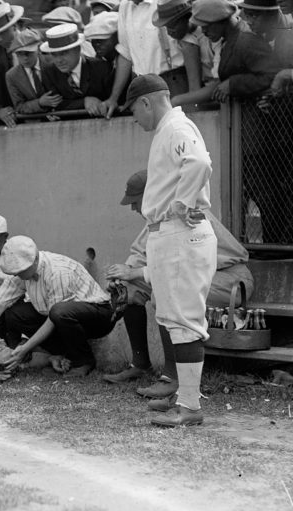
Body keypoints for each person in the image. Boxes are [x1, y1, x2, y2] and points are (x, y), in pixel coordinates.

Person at [116, 74, 217, 427]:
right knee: (175, 319)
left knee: (185, 321)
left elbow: (200, 164)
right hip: (168, 234)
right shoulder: (168, 129)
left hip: (179, 233)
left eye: (134, 111)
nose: (135, 119)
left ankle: (189, 407)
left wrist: (181, 202)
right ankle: (184, 398)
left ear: (146, 102)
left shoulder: (175, 126)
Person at [105, 170, 254, 405]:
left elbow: (184, 263)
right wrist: (123, 273)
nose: (133, 208)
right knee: (132, 291)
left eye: (135, 201)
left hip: (229, 278)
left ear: (151, 193)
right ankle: (140, 363)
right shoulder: (159, 215)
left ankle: (172, 376)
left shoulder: (187, 211)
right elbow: (142, 254)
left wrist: (134, 272)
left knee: (165, 295)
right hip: (194, 274)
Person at [0, 236, 115, 376]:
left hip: (98, 317)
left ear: (34, 261)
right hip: (58, 316)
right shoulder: (20, 273)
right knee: (15, 313)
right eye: (14, 272)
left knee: (59, 312)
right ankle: (61, 356)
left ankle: (83, 360)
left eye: (20, 271)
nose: (17, 275)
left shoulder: (58, 272)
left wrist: (25, 349)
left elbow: (54, 318)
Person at [101, 0, 186, 119]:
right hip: (144, 86)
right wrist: (113, 99)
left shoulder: (164, 2)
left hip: (174, 81)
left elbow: (189, 41)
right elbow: (125, 54)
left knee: (178, 128)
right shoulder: (125, 6)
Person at [190, 0, 279, 102]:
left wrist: (233, 84)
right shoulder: (229, 39)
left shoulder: (247, 40)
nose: (203, 32)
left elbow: (272, 76)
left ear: (221, 20)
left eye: (207, 26)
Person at [152, 0, 220, 106]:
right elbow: (194, 87)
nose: (169, 33)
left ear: (188, 18)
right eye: (166, 28)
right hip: (209, 94)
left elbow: (221, 83)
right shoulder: (187, 39)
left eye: (173, 26)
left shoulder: (212, 36)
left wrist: (178, 100)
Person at [41, 24, 114, 114]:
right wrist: (84, 102)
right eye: (54, 55)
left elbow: (114, 100)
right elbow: (55, 104)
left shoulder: (101, 68)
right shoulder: (49, 72)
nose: (59, 60)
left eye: (63, 53)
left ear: (78, 49)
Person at [6, 29, 61, 114]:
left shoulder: (54, 62)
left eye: (28, 53)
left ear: (38, 49)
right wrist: (39, 103)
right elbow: (19, 107)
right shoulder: (12, 76)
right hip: (36, 121)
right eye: (20, 54)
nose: (25, 58)